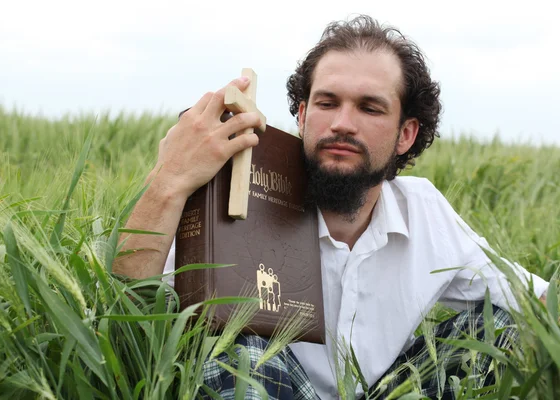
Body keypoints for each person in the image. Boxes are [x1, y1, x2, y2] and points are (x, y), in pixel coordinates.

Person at [112, 15, 549, 399]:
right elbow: (128, 315)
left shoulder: (425, 213)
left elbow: (540, 303)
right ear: (301, 116)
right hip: (269, 386)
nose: (342, 122)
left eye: (370, 107)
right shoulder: (242, 189)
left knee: (502, 328)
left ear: (406, 135)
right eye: (327, 103)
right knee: (226, 343)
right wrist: (167, 182)